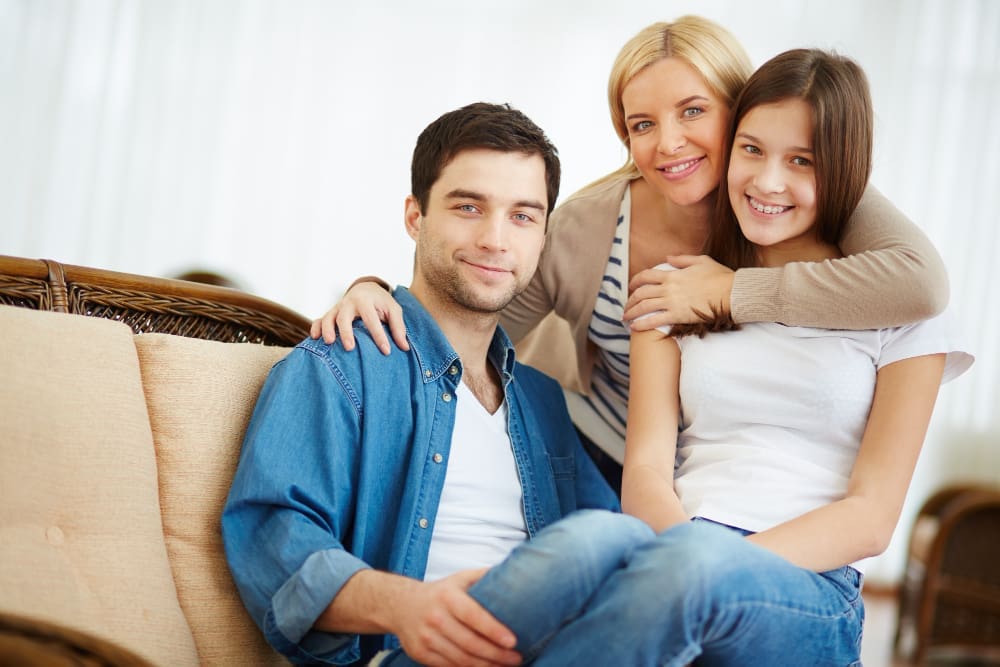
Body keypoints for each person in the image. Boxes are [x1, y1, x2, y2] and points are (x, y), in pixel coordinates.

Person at [308, 16, 950, 495]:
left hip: (729, 481)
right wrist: (378, 290)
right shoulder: (588, 226)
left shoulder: (794, 187)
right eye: (641, 124)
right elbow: (472, 319)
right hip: (601, 452)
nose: (668, 142)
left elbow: (920, 283)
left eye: (693, 111)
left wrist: (730, 293)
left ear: (744, 110)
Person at [223, 102, 665, 667]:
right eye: (468, 207)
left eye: (523, 217)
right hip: (409, 653)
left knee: (657, 561)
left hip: (551, 650)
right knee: (603, 541)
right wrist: (409, 607)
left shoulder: (541, 400)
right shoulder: (342, 363)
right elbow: (272, 537)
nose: (495, 239)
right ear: (415, 216)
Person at [580, 48, 971, 664]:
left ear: (845, 171)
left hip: (807, 582)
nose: (766, 182)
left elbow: (870, 517)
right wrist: (684, 559)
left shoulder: (906, 309)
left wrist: (709, 570)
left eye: (802, 161)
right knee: (575, 551)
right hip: (679, 550)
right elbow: (646, 472)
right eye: (752, 149)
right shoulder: (675, 287)